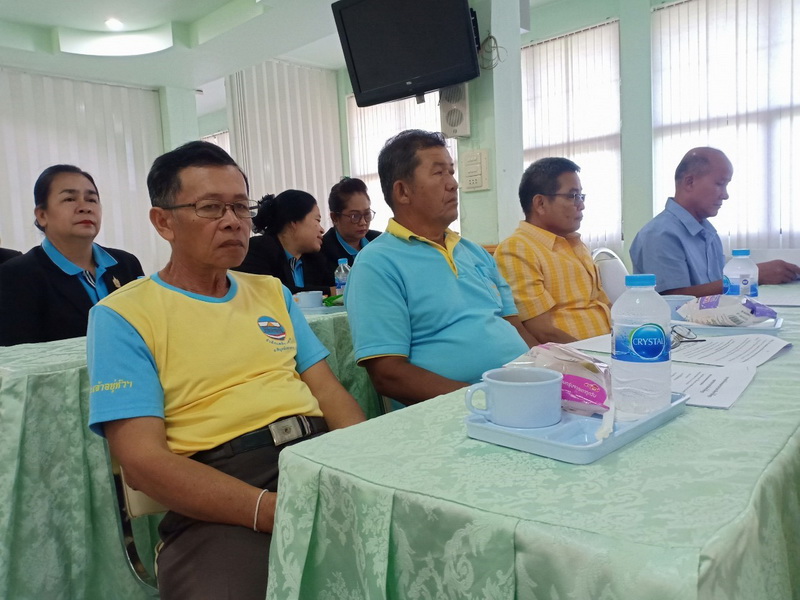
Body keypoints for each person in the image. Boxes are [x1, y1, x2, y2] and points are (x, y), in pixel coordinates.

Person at [87, 141, 365, 599]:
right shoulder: (122, 315)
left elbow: (330, 393)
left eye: (240, 206)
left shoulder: (271, 292)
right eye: (211, 207)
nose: (233, 221)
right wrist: (267, 509)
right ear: (163, 222)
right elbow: (142, 462)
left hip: (317, 458)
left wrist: (364, 464)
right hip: (223, 487)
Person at [344, 129, 536, 407]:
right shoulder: (377, 264)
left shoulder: (474, 252)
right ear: (403, 191)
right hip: (459, 409)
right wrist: (483, 399)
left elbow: (515, 327)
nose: (453, 184)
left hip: (520, 393)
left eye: (451, 172)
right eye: (439, 173)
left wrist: (549, 371)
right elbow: (388, 374)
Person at [0, 164, 143, 346]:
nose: (85, 207)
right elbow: (18, 356)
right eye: (69, 199)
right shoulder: (15, 276)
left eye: (91, 200)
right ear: (42, 215)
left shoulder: (125, 264)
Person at [630, 147, 800, 295]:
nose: (725, 195)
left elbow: (715, 288)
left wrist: (752, 274)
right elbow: (673, 300)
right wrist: (751, 276)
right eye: (720, 184)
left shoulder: (707, 232)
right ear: (690, 182)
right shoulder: (660, 235)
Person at [494, 157, 611, 343]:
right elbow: (543, 332)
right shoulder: (518, 250)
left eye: (581, 196)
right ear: (540, 203)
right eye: (572, 196)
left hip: (609, 348)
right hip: (573, 356)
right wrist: (591, 357)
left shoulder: (576, 244)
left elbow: (603, 305)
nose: (581, 205)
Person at [234, 189, 333, 294]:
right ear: (294, 221)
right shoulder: (258, 249)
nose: (322, 230)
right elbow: (268, 291)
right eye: (317, 220)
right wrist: (328, 291)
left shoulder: (315, 260)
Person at [321, 176, 381, 272]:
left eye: (367, 214)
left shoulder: (379, 242)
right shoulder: (321, 253)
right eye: (355, 216)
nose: (363, 222)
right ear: (334, 217)